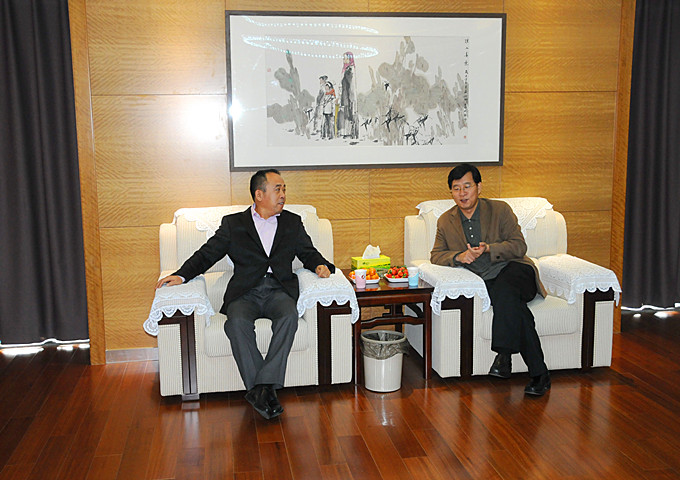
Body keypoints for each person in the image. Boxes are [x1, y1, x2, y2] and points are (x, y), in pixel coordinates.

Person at [156, 169, 335, 417]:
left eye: (284, 189)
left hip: (279, 289)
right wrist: (182, 275)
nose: (283, 194)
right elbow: (208, 254)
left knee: (289, 317)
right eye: (278, 189)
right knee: (236, 323)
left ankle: (260, 389)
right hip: (245, 292)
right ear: (259, 195)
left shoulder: (292, 222)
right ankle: (264, 390)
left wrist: (320, 265)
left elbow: (307, 251)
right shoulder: (234, 224)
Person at [430, 163, 551, 396]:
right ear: (451, 192)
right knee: (516, 310)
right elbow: (436, 255)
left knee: (506, 291)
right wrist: (459, 257)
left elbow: (519, 246)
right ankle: (540, 375)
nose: (462, 193)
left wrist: (489, 249)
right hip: (487, 281)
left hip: (516, 270)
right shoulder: (446, 220)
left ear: (479, 187)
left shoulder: (500, 210)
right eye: (456, 188)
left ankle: (504, 355)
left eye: (467, 186)